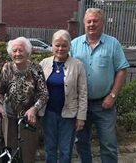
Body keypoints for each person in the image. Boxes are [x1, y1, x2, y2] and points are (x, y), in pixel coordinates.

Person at [70, 8, 130, 163]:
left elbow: (122, 70)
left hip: (104, 104)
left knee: (109, 144)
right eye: (88, 21)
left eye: (95, 21)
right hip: (80, 105)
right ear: (84, 23)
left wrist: (113, 95)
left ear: (102, 23)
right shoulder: (74, 45)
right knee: (81, 142)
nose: (91, 24)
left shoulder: (113, 43)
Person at [0, 37, 48, 163]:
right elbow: (0, 92)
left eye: (21, 50)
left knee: (28, 154)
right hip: (9, 116)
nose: (17, 54)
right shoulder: (7, 68)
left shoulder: (36, 68)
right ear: (10, 53)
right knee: (9, 153)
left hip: (29, 118)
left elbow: (44, 94)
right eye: (14, 51)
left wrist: (34, 109)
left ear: (27, 52)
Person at [39, 29, 88, 163]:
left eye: (64, 45)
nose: (60, 48)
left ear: (69, 47)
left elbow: (83, 93)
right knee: (50, 148)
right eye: (57, 45)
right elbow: (37, 89)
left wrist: (81, 117)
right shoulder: (44, 64)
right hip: (49, 113)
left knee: (66, 150)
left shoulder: (78, 65)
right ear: (52, 45)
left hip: (69, 115)